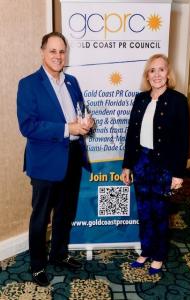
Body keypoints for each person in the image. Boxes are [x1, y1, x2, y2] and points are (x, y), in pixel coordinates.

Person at [17, 32, 94, 286]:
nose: (58, 56)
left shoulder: (71, 81)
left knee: (65, 212)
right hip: (45, 163)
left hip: (72, 157)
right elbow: (28, 126)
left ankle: (59, 254)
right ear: (42, 52)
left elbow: (80, 112)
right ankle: (38, 266)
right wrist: (66, 129)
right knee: (41, 217)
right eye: (53, 51)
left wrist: (86, 122)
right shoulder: (28, 84)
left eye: (62, 51)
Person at [121, 54, 189, 275]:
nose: (157, 74)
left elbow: (182, 139)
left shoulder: (178, 101)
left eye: (161, 70)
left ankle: (158, 255)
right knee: (144, 210)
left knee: (160, 212)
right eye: (152, 70)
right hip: (141, 162)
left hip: (165, 165)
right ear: (147, 75)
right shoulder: (140, 99)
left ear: (168, 74)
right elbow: (131, 135)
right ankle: (146, 250)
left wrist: (178, 173)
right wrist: (127, 166)